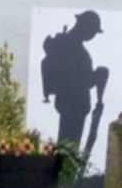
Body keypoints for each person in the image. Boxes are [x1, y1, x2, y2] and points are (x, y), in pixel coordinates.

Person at [41, 10, 109, 151]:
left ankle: (65, 169)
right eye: (93, 32)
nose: (92, 36)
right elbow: (78, 79)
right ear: (86, 28)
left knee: (69, 148)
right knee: (68, 149)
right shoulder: (70, 46)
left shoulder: (69, 44)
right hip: (73, 104)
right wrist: (98, 76)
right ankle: (65, 170)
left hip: (73, 103)